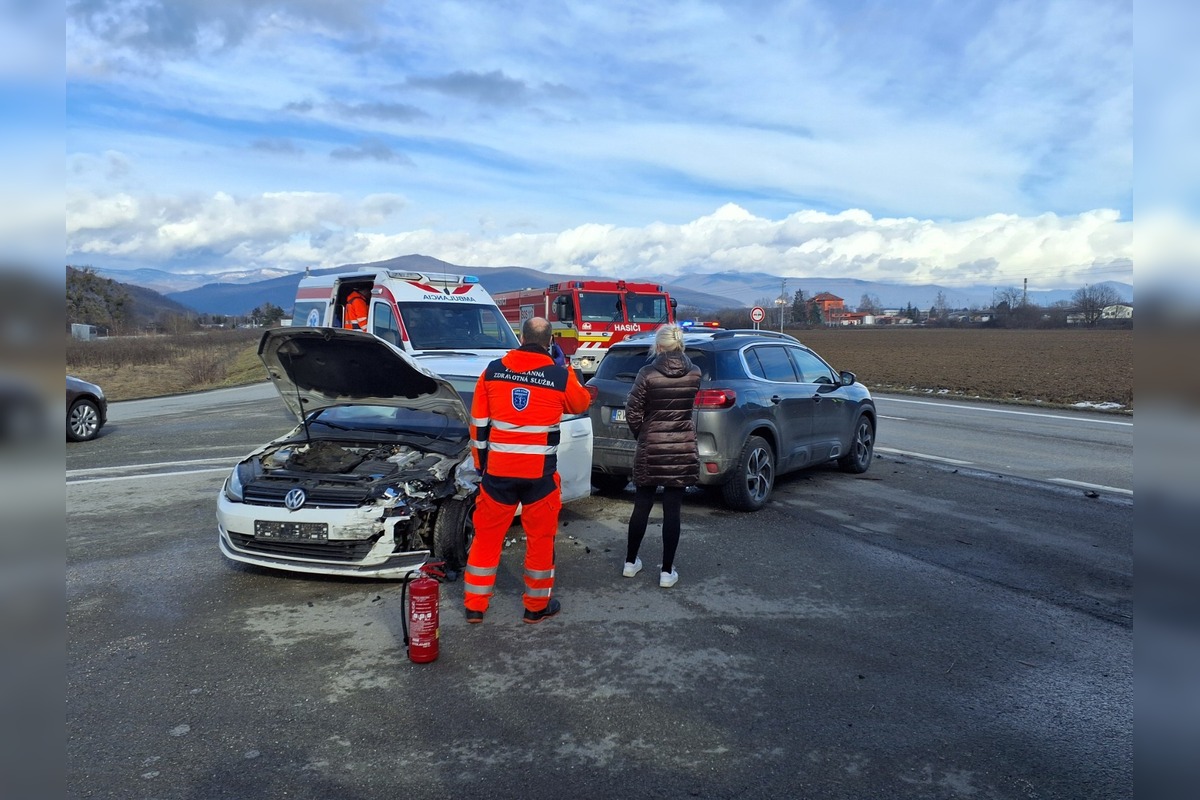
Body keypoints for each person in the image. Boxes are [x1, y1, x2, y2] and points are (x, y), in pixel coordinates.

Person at [463, 317, 592, 624]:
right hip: (540, 477)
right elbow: (580, 403)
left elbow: (478, 426)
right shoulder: (558, 376)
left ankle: (474, 606)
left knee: (486, 539)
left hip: (498, 474)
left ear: (521, 337)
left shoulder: (492, 371)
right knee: (541, 540)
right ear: (549, 342)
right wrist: (567, 369)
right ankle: (535, 607)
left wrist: (483, 467)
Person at [622, 324, 701, 588]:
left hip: (651, 446)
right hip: (681, 447)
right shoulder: (695, 373)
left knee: (642, 504)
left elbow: (633, 411)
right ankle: (667, 572)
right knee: (673, 510)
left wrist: (643, 437)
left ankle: (630, 563)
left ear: (658, 345)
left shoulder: (647, 373)